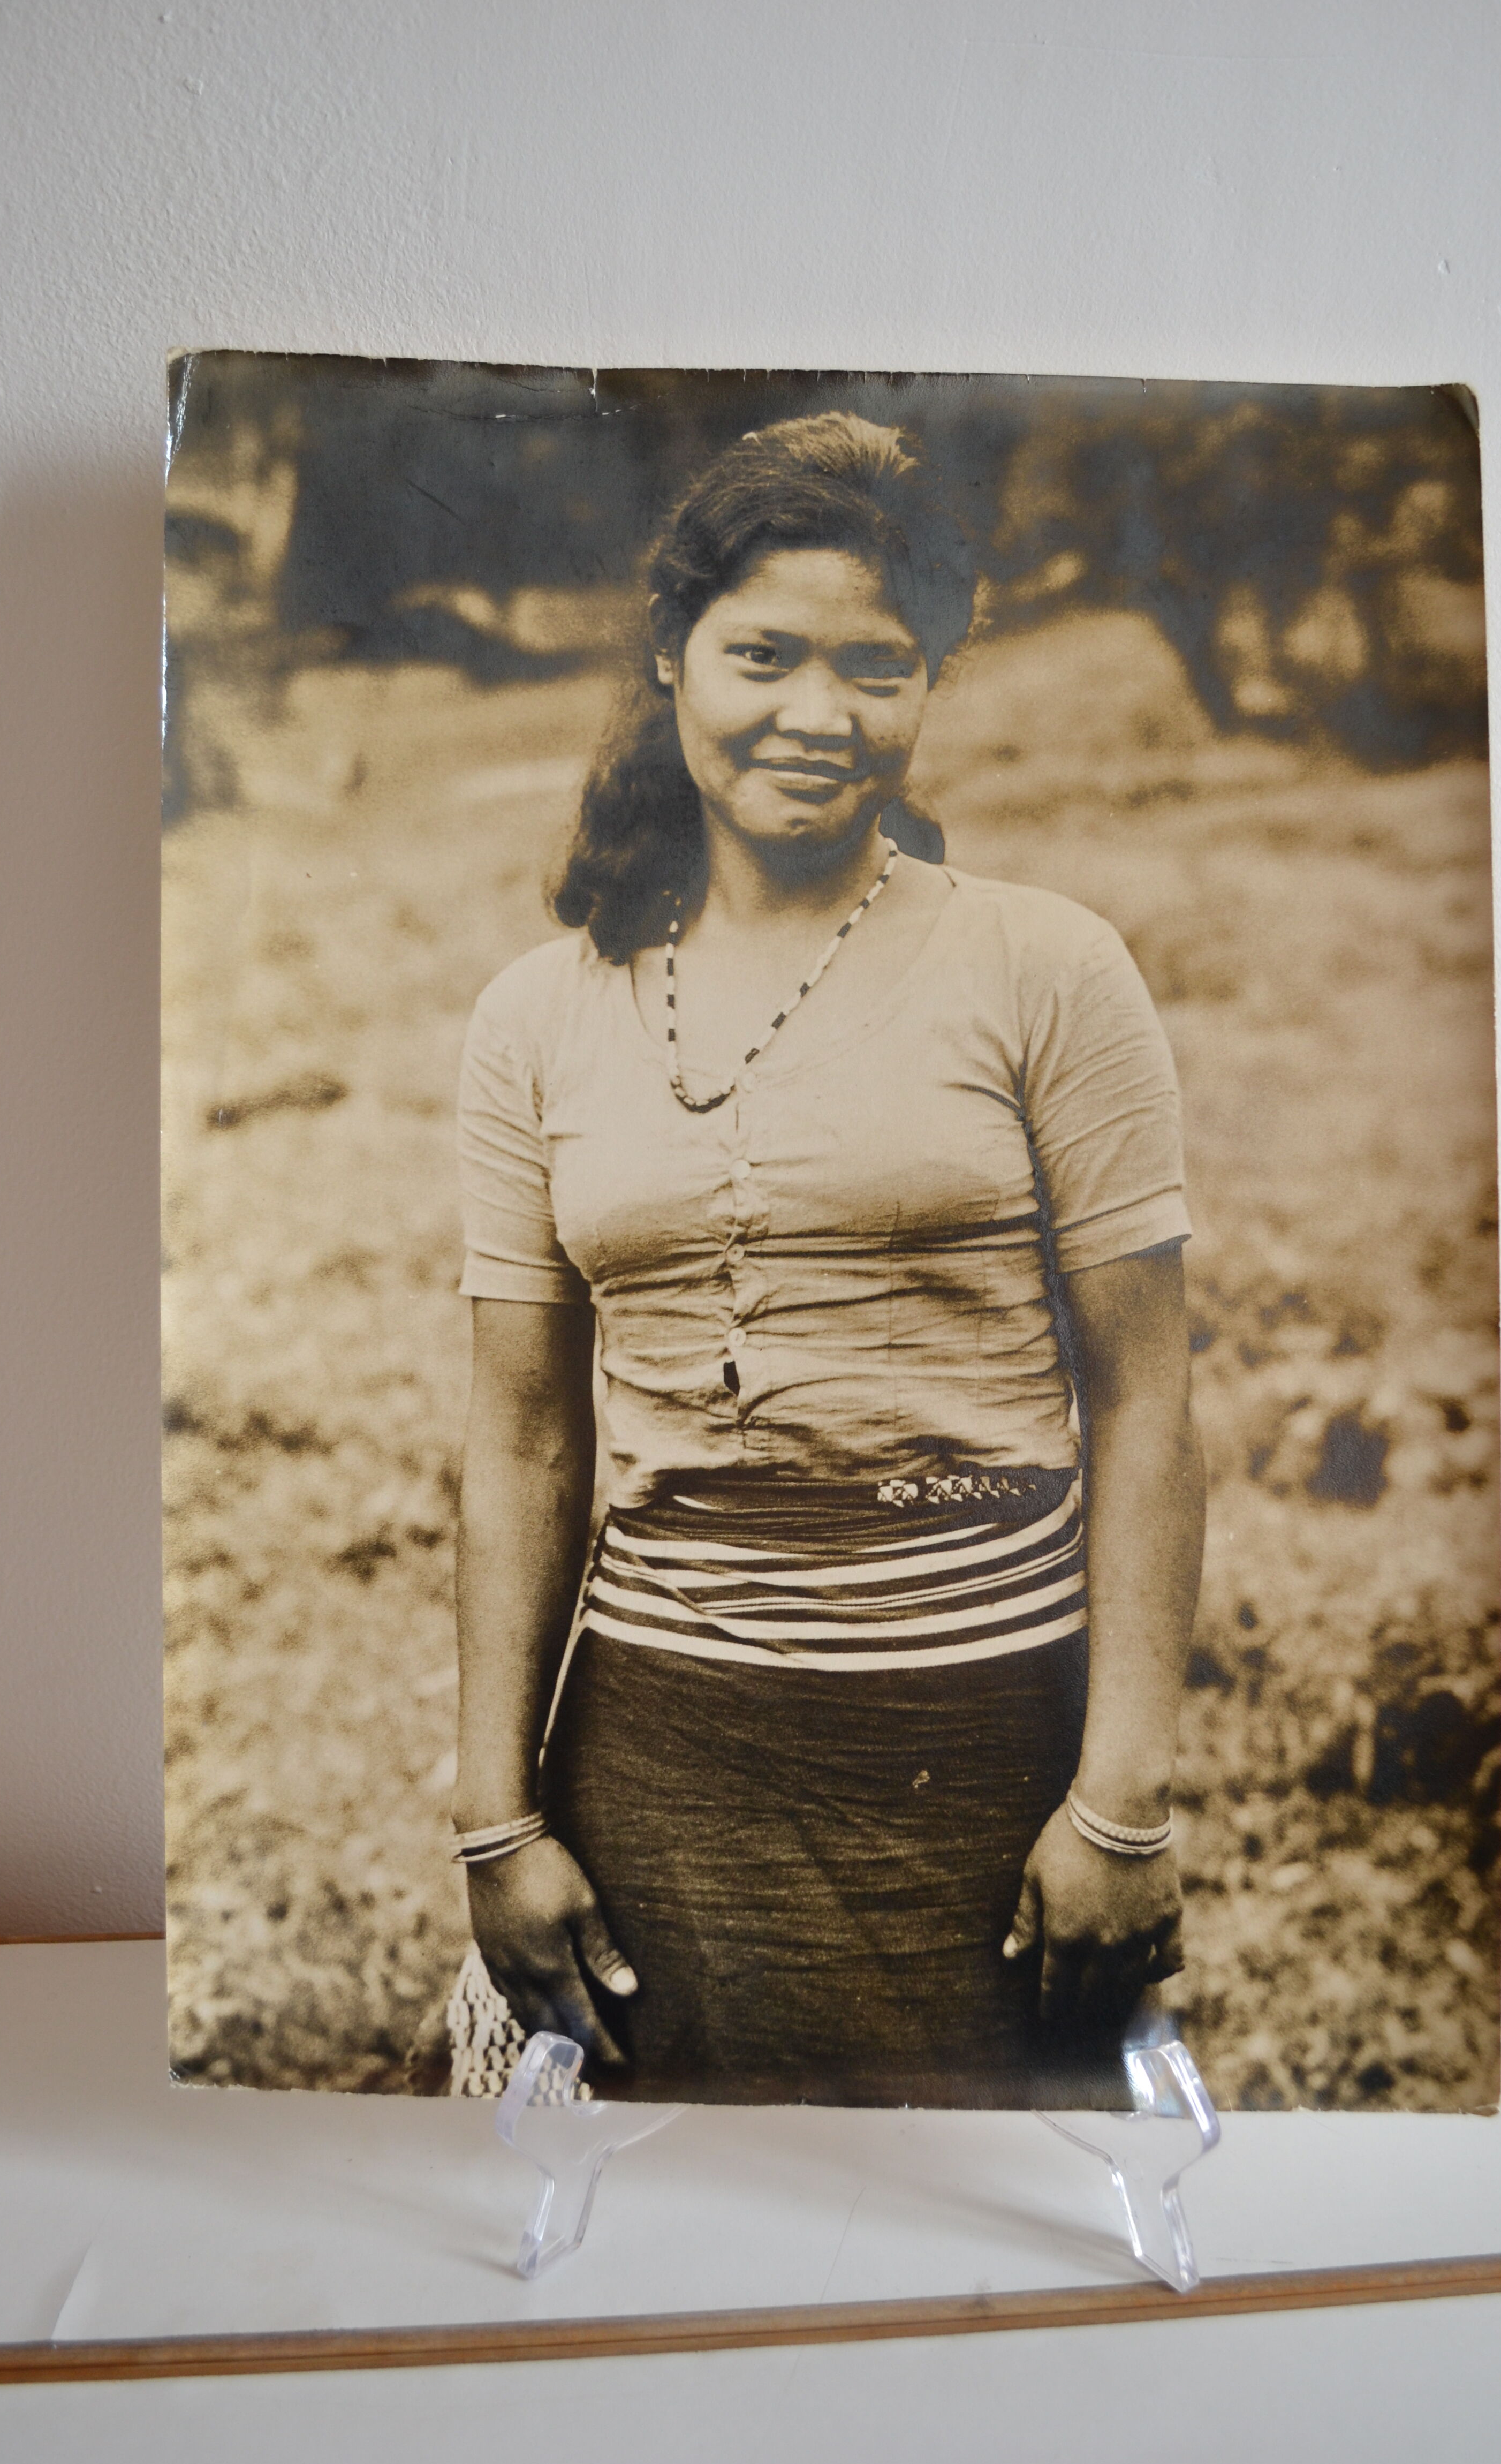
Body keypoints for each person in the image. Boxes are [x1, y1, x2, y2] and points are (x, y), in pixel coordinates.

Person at [450, 411, 1205, 2106]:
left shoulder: (1050, 970)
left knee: (992, 2240)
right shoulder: (536, 1018)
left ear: (932, 682)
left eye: (880, 665)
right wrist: (497, 1819)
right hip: (660, 1756)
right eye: (763, 655)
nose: (819, 714)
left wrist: (1122, 1803)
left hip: (985, 1745)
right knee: (673, 2238)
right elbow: (521, 1435)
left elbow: (1147, 1399)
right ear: (671, 655)